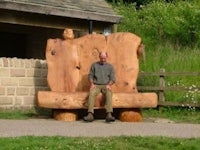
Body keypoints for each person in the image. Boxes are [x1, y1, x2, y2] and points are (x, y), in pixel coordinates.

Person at [83, 51, 116, 122]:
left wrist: (109, 85)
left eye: (104, 58)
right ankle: (90, 114)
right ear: (99, 57)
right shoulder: (94, 65)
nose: (103, 60)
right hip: (96, 85)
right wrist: (92, 84)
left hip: (106, 85)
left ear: (107, 57)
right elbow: (90, 76)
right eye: (101, 58)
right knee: (91, 93)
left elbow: (113, 79)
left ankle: (109, 114)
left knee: (109, 93)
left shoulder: (110, 67)